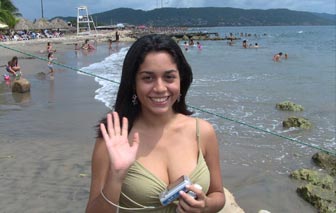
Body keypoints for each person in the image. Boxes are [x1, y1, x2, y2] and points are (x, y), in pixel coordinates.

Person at [86, 34, 225, 213]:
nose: (160, 88)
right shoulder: (114, 139)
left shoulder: (203, 131)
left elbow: (218, 194)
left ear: (181, 80)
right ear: (133, 83)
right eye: (148, 78)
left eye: (169, 77)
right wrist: (116, 176)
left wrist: (205, 205)